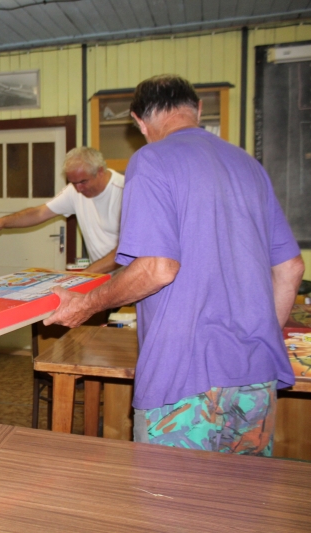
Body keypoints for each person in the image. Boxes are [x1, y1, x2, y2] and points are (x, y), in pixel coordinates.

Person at [44, 75, 305, 455]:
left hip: (184, 378)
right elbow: (291, 268)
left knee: (172, 494)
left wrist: (84, 305)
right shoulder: (248, 165)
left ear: (139, 121)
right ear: (197, 109)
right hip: (254, 377)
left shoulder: (151, 159)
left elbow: (157, 268)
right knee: (244, 494)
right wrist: (255, 339)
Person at [0, 147, 124, 274]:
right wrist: (1, 222)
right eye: (73, 183)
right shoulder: (74, 191)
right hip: (102, 276)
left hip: (129, 276)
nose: (78, 189)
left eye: (83, 182)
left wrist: (84, 275)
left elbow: (125, 251)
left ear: (100, 171)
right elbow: (39, 213)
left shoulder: (125, 191)